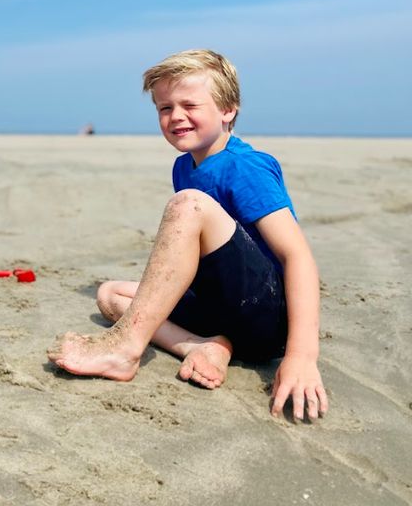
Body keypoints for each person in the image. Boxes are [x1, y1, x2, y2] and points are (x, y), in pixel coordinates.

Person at [47, 49, 328, 422]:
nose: (176, 116)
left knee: (189, 205)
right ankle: (206, 346)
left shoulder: (245, 167)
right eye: (165, 108)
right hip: (219, 311)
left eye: (190, 105)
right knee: (111, 295)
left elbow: (297, 256)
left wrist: (301, 357)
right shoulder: (184, 166)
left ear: (228, 110)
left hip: (264, 315)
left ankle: (124, 351)